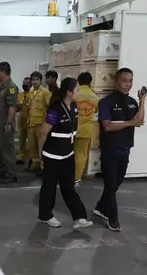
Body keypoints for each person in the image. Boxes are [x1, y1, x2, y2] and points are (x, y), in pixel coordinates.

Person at [94, 68, 147, 232]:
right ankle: (113, 218)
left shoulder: (132, 101)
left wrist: (142, 100)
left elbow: (140, 119)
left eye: (130, 81)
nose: (128, 84)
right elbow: (107, 126)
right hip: (110, 149)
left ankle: (101, 208)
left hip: (125, 149)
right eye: (125, 80)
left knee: (115, 184)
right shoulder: (105, 102)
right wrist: (130, 123)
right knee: (111, 186)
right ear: (116, 81)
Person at [37, 78, 93, 229]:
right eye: (77, 90)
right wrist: (40, 155)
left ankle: (79, 217)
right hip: (52, 155)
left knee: (68, 186)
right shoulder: (55, 110)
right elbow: (42, 133)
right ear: (69, 92)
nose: (79, 93)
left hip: (68, 154)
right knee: (49, 187)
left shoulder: (74, 106)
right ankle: (46, 215)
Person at [0, 62, 19, 184]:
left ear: (3, 72)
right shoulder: (2, 87)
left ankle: (11, 174)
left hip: (5, 125)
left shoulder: (11, 87)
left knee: (7, 149)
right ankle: (1, 171)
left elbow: (12, 107)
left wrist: (8, 123)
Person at [73, 72, 100, 184]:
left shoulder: (75, 94)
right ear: (90, 82)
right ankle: (77, 177)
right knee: (81, 154)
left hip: (72, 128)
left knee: (69, 153)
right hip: (86, 129)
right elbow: (97, 111)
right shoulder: (94, 96)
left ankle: (67, 174)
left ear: (78, 81)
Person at [26, 71, 52, 172]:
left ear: (41, 81)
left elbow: (50, 106)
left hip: (41, 124)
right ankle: (35, 164)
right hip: (31, 123)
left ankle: (43, 166)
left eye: (37, 80)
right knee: (32, 145)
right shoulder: (31, 93)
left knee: (42, 146)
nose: (34, 82)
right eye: (33, 80)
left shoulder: (45, 92)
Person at [16, 77, 32, 165]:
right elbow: (17, 108)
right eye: (24, 83)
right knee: (21, 140)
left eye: (27, 83)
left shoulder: (33, 94)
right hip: (21, 120)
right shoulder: (20, 94)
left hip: (30, 120)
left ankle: (30, 158)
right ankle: (21, 157)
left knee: (30, 141)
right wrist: (19, 105)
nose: (25, 84)